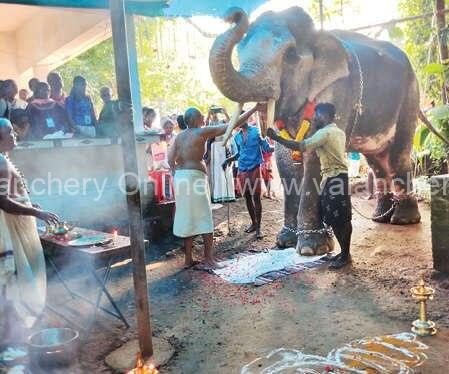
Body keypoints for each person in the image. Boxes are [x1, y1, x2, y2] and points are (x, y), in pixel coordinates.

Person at [267, 103, 352, 269]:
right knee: (341, 217)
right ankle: (344, 253)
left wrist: (276, 138)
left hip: (333, 179)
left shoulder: (324, 133)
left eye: (317, 115)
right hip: (338, 178)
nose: (314, 118)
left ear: (325, 116)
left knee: (338, 219)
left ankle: (345, 255)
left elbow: (300, 146)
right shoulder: (339, 132)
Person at [168, 107, 254, 268]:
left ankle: (188, 259)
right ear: (194, 119)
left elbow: (170, 158)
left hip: (180, 178)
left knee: (188, 217)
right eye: (201, 116)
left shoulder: (179, 137)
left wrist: (175, 172)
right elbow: (232, 124)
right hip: (194, 179)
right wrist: (254, 108)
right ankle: (208, 260)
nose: (203, 118)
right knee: (204, 217)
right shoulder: (200, 132)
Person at [0, 118, 59, 332]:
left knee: (24, 271)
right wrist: (37, 212)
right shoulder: (0, 161)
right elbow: (3, 202)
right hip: (13, 226)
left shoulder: (3, 158)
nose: (15, 135)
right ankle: (20, 323)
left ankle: (23, 320)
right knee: (20, 273)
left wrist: (28, 202)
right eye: (10, 133)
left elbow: (11, 194)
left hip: (20, 222)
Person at [223, 104, 274, 239]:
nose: (240, 122)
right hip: (242, 169)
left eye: (242, 119)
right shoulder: (236, 137)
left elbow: (266, 147)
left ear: (246, 119)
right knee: (247, 197)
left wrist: (278, 144)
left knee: (256, 197)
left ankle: (258, 228)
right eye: (237, 120)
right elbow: (239, 154)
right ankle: (253, 223)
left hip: (254, 169)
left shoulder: (256, 131)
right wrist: (228, 160)